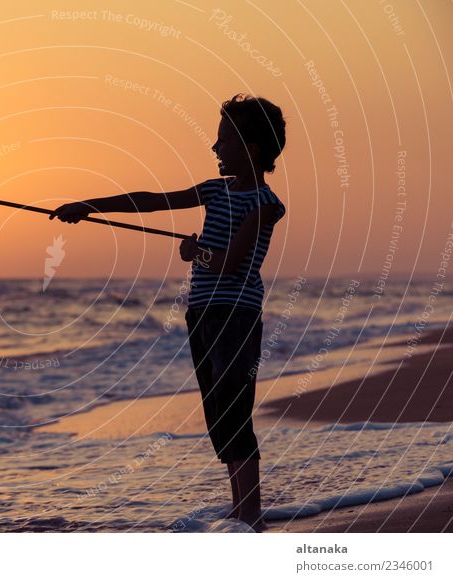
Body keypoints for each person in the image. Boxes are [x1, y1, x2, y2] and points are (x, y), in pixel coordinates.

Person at [49, 93, 287, 533]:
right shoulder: (215, 190)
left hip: (235, 316)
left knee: (235, 410)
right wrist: (89, 206)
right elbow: (153, 200)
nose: (215, 149)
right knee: (219, 414)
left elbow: (234, 263)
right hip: (202, 315)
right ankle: (240, 510)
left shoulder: (265, 203)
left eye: (223, 140)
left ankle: (250, 513)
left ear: (250, 148)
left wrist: (198, 253)